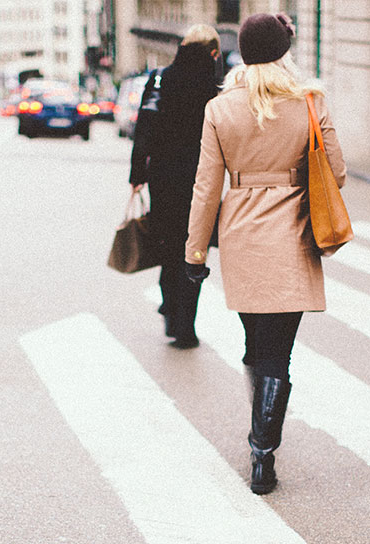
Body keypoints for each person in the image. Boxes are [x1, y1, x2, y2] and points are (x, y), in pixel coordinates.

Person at [184, 12, 345, 495]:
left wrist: (195, 253)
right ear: (283, 51)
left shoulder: (220, 108)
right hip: (293, 238)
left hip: (241, 240)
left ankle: (260, 438)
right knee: (279, 354)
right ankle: (263, 453)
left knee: (257, 347)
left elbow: (206, 187)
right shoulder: (309, 101)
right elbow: (336, 171)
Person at [129, 24, 221, 349]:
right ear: (212, 53)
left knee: (168, 245)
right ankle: (186, 326)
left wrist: (137, 173)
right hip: (201, 181)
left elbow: (145, 126)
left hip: (164, 178)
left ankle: (170, 309)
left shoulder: (159, 78)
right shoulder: (215, 86)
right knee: (195, 250)